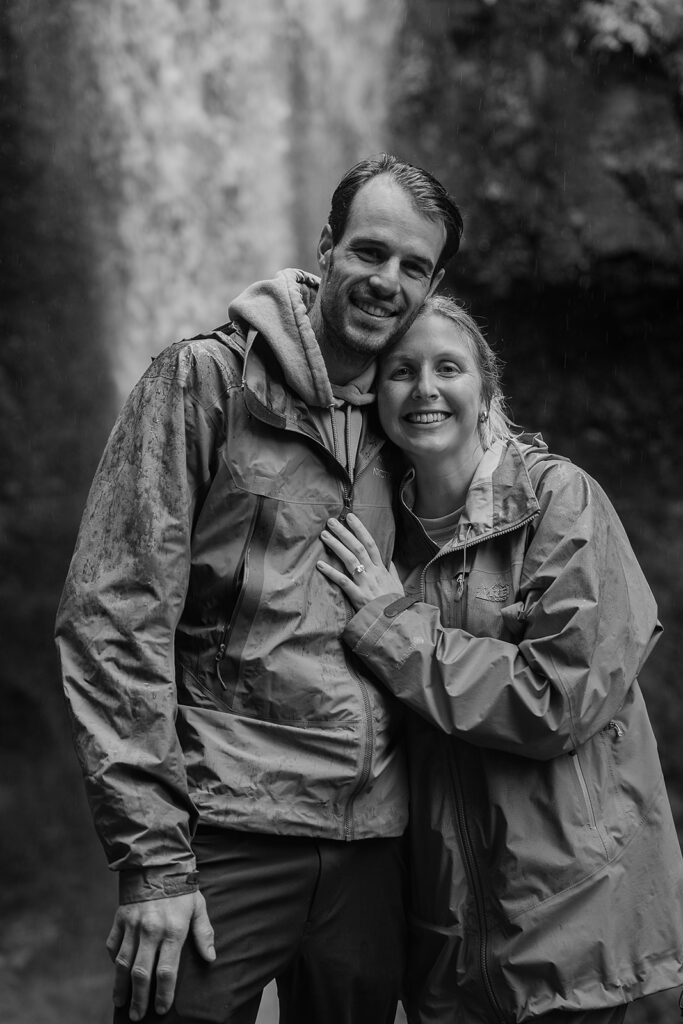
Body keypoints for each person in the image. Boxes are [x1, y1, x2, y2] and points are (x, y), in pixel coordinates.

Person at [54, 155, 464, 1024]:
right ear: (326, 247)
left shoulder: (421, 418)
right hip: (223, 835)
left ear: (433, 286)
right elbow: (114, 615)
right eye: (369, 251)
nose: (386, 281)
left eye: (413, 266)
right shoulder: (204, 382)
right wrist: (153, 862)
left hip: (371, 847)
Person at [317, 295, 683, 1024]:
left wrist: (392, 627)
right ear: (372, 396)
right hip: (449, 949)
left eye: (446, 368)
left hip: (578, 937)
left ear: (485, 391)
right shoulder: (375, 544)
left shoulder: (558, 499)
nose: (424, 388)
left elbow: (559, 699)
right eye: (400, 371)